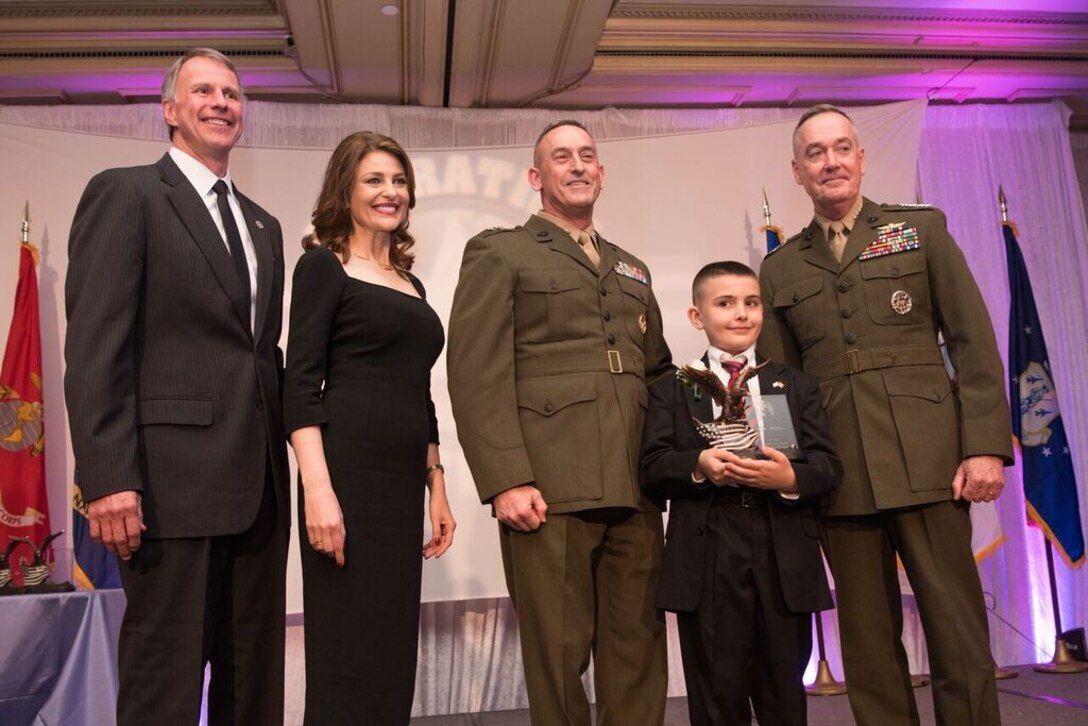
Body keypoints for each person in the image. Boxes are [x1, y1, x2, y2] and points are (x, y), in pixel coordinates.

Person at [758, 104, 1013, 726]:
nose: (831, 161)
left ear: (861, 159)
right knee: (869, 649)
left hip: (930, 462)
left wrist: (983, 445)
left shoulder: (920, 231)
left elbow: (973, 341)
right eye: (815, 153)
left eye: (842, 147)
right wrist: (794, 475)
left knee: (957, 634)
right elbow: (776, 385)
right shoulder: (781, 266)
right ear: (798, 171)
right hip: (840, 476)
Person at [65, 48, 289, 724]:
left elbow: (258, 359)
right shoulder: (127, 193)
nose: (222, 102)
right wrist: (108, 477)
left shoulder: (263, 227)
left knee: (253, 686)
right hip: (168, 490)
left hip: (259, 491)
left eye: (231, 93)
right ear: (170, 111)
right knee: (165, 683)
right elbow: (96, 345)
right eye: (204, 91)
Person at [447, 119, 672, 725]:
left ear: (601, 172)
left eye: (587, 156)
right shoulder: (499, 251)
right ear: (535, 176)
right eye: (561, 157)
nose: (577, 166)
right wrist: (506, 480)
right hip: (548, 488)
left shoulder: (633, 269)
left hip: (635, 487)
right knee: (558, 656)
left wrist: (673, 465)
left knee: (638, 653)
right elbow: (476, 374)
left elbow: (659, 375)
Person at [283, 130, 455, 724]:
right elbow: (299, 385)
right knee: (345, 652)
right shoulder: (322, 267)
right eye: (374, 179)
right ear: (345, 190)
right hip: (345, 478)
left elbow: (420, 392)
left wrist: (436, 485)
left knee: (389, 648)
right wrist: (319, 492)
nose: (391, 192)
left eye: (399, 180)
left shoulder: (413, 283)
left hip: (399, 486)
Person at [641, 261, 841, 726]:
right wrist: (698, 465)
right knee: (717, 695)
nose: (741, 314)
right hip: (709, 550)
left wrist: (789, 480)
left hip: (781, 550)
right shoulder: (672, 388)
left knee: (783, 692)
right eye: (725, 303)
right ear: (697, 316)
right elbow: (652, 467)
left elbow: (827, 466)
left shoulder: (794, 384)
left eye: (751, 303)